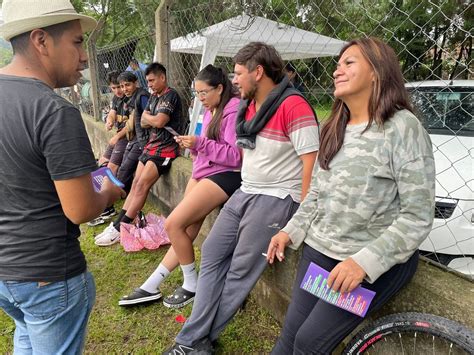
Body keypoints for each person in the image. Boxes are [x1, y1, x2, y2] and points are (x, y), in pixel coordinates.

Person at [266, 37, 436, 354]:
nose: (336, 70)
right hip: (320, 251)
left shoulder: (402, 128)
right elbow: (316, 193)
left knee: (307, 343)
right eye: (337, 64)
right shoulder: (333, 126)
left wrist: (362, 263)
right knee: (289, 337)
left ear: (377, 71)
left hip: (365, 262)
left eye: (349, 62)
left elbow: (417, 216)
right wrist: (290, 230)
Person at [164, 42, 319, 354]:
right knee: (211, 252)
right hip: (245, 191)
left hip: (276, 198)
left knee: (239, 272)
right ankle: (198, 337)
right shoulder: (248, 108)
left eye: (237, 73)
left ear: (258, 72)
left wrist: (301, 216)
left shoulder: (293, 106)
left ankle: (192, 340)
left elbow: (311, 164)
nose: (233, 80)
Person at [0, 0, 124, 353]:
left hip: (6, 272)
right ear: (41, 41)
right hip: (47, 275)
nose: (85, 56)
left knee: (26, 336)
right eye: (77, 42)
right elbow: (81, 209)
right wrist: (109, 189)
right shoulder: (53, 111)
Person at [119, 64, 242, 308]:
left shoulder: (234, 109)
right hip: (205, 171)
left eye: (203, 93)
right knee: (185, 228)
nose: (200, 99)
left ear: (219, 88)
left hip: (225, 174)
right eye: (196, 94)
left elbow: (235, 157)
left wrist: (199, 144)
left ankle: (191, 284)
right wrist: (195, 148)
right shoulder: (212, 108)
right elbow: (206, 145)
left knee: (174, 223)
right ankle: (152, 284)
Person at [95, 62, 183, 246]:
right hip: (150, 146)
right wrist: (150, 119)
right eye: (148, 81)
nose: (149, 84)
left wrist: (151, 119)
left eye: (152, 80)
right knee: (134, 183)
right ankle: (118, 225)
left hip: (165, 149)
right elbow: (142, 121)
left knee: (142, 185)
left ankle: (120, 228)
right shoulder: (152, 97)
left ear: (162, 77)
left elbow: (159, 121)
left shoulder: (171, 95)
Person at [88, 71, 150, 227]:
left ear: (134, 83)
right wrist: (109, 121)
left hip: (128, 138)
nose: (119, 90)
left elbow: (132, 123)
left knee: (112, 168)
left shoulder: (138, 97)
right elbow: (112, 113)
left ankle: (106, 206)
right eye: (115, 87)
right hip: (121, 137)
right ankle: (99, 199)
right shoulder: (118, 98)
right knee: (102, 163)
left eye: (122, 86)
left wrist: (117, 137)